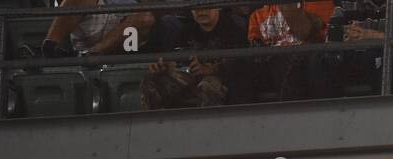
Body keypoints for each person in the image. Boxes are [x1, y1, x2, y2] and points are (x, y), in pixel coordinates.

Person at [141, 7, 254, 110]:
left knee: (208, 85)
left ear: (218, 6)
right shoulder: (187, 30)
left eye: (206, 5)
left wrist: (211, 69)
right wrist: (166, 68)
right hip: (190, 78)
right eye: (196, 5)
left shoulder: (233, 28)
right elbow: (177, 60)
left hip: (221, 81)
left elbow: (242, 65)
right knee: (153, 79)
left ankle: (211, 130)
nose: (201, 11)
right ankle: (157, 127)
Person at [248, 1, 335, 100]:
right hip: (274, 63)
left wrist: (287, 7)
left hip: (307, 59)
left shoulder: (317, 3)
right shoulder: (257, 15)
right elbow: (256, 47)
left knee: (303, 58)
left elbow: (312, 35)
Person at [43, 0, 181, 57]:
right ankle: (50, 46)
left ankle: (90, 55)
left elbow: (162, 8)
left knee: (145, 18)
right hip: (100, 15)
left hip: (129, 35)